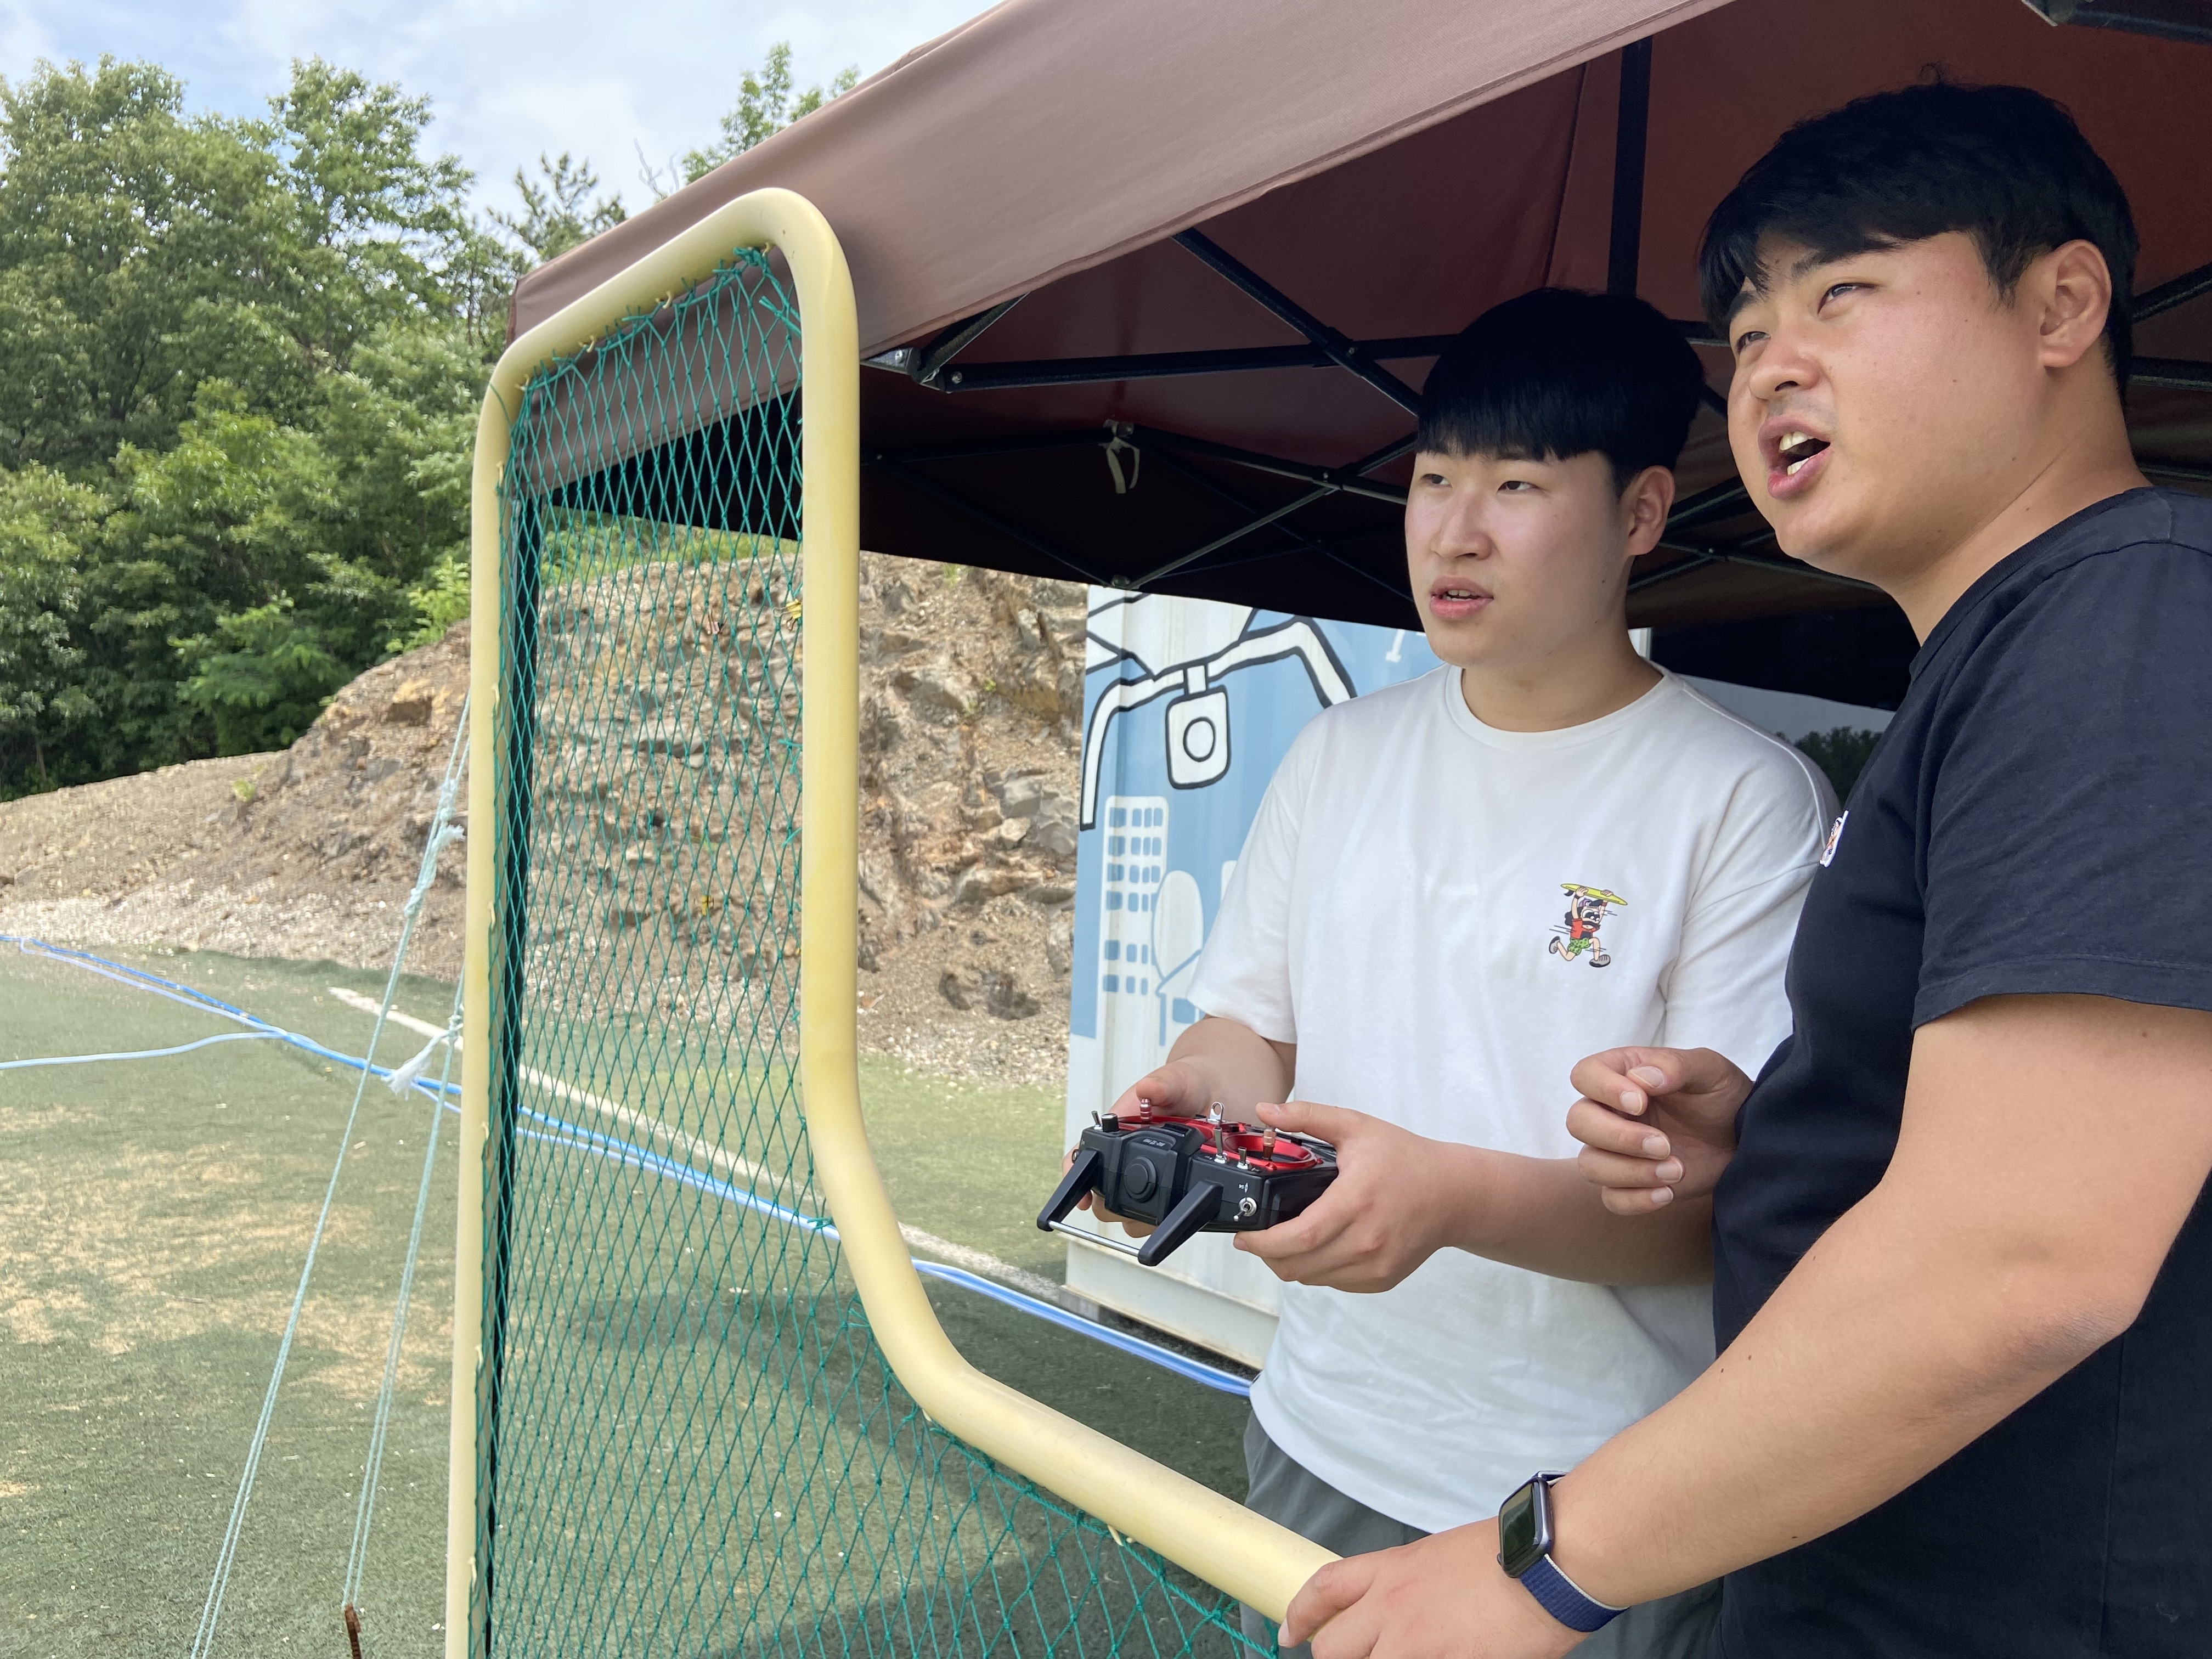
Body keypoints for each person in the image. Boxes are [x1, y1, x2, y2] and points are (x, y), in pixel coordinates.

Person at [1279, 82, 2212, 1659]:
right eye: (1751, 327)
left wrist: (1544, 1562)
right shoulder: (2005, 656)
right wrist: (1768, 1133)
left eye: (1843, 292)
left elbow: (2025, 1255)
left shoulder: (2126, 620)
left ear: (2062, 306)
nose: (1772, 364)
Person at [1085, 287, 1834, 1658]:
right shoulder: (1341, 756)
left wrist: (1449, 1198)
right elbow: (1253, 1030)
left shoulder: (1740, 799)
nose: (1454, 530)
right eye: (1434, 480)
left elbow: (1702, 1214)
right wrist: (1195, 1091)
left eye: (1518, 485)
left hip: (1588, 1506)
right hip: (1321, 1432)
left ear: (1642, 512)